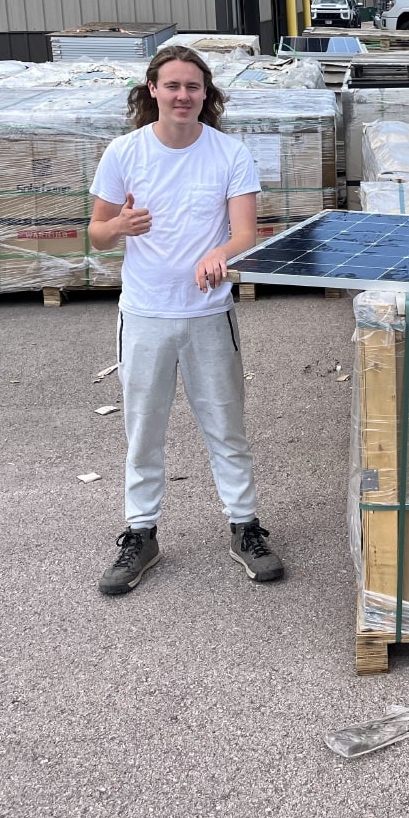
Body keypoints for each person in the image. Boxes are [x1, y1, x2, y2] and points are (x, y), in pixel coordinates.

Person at [87, 44, 284, 595]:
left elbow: (245, 232)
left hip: (208, 313)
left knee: (227, 428)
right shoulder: (124, 153)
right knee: (143, 431)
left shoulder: (228, 153)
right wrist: (119, 225)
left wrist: (222, 253)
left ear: (206, 94)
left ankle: (245, 527)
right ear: (152, 90)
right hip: (146, 314)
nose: (182, 96)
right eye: (172, 85)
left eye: (192, 87)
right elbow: (96, 232)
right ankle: (140, 533)